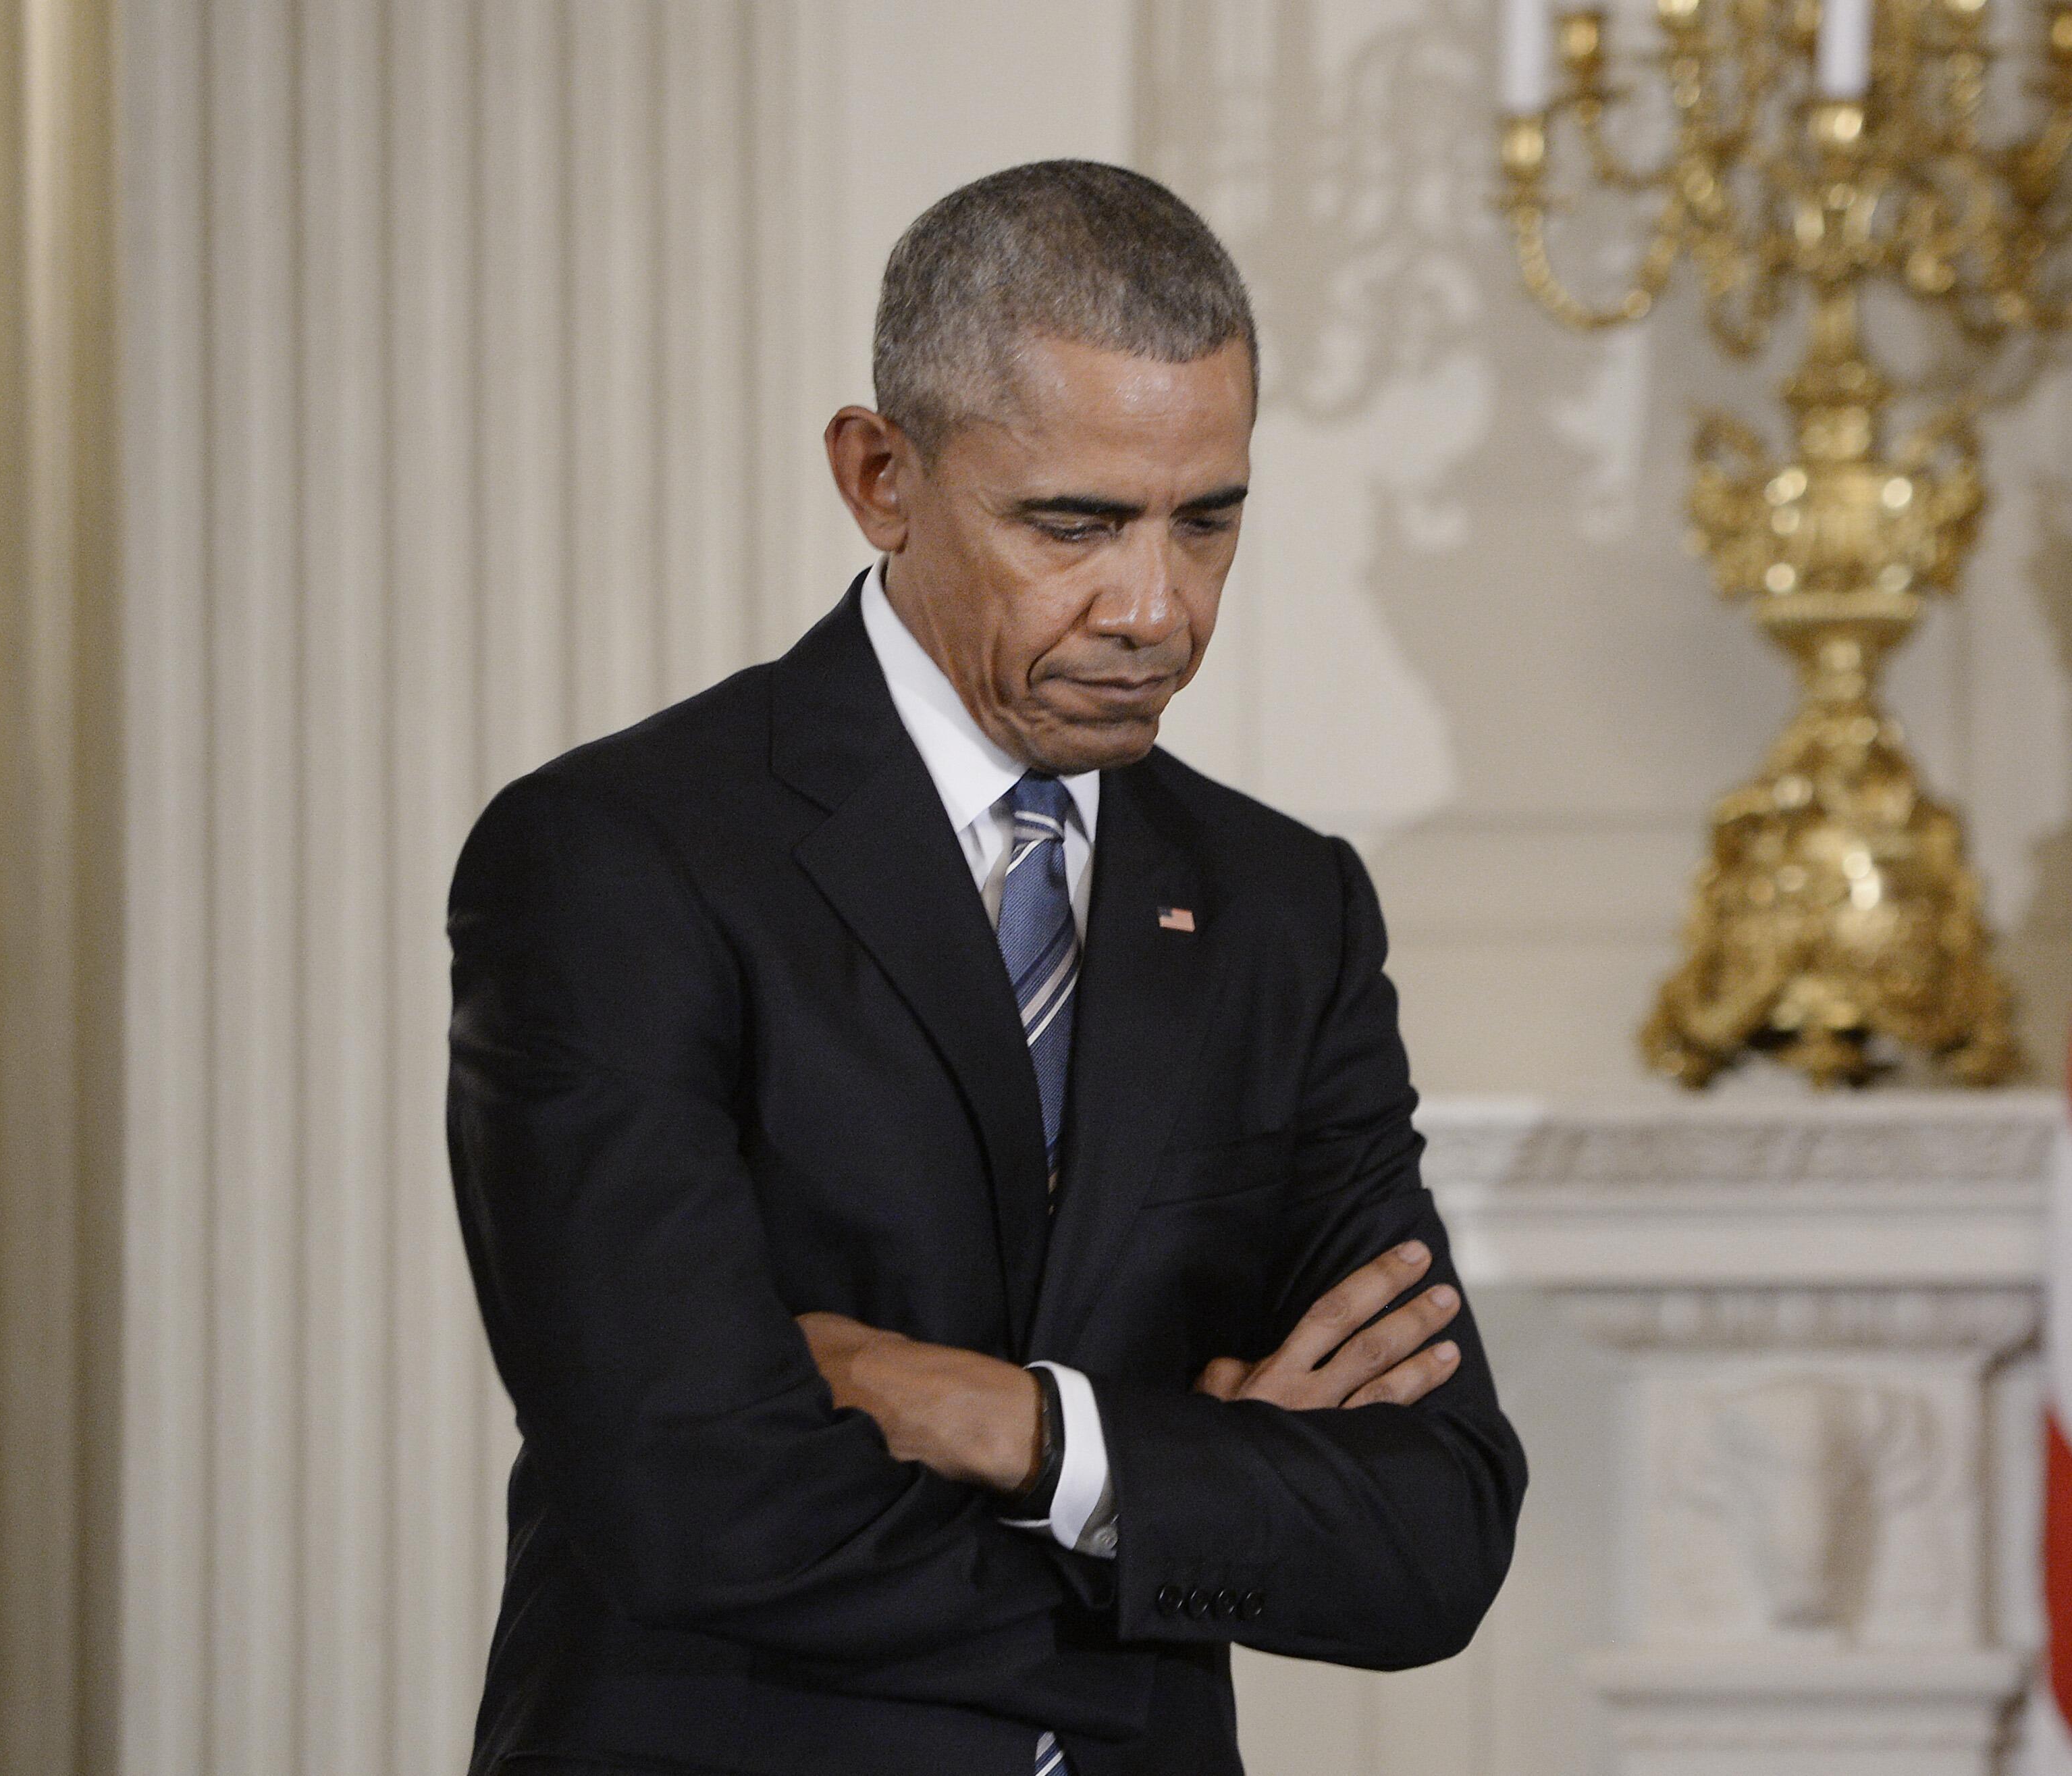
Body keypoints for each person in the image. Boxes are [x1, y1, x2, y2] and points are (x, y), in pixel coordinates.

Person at [446, 159, 1525, 1776]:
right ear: (880, 475)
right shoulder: (613, 857)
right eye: (1073, 524)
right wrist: (1183, 1516)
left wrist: (1028, 1428)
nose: (1155, 608)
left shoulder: (1284, 908)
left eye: (1207, 519)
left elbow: (1434, 1530)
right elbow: (693, 1501)